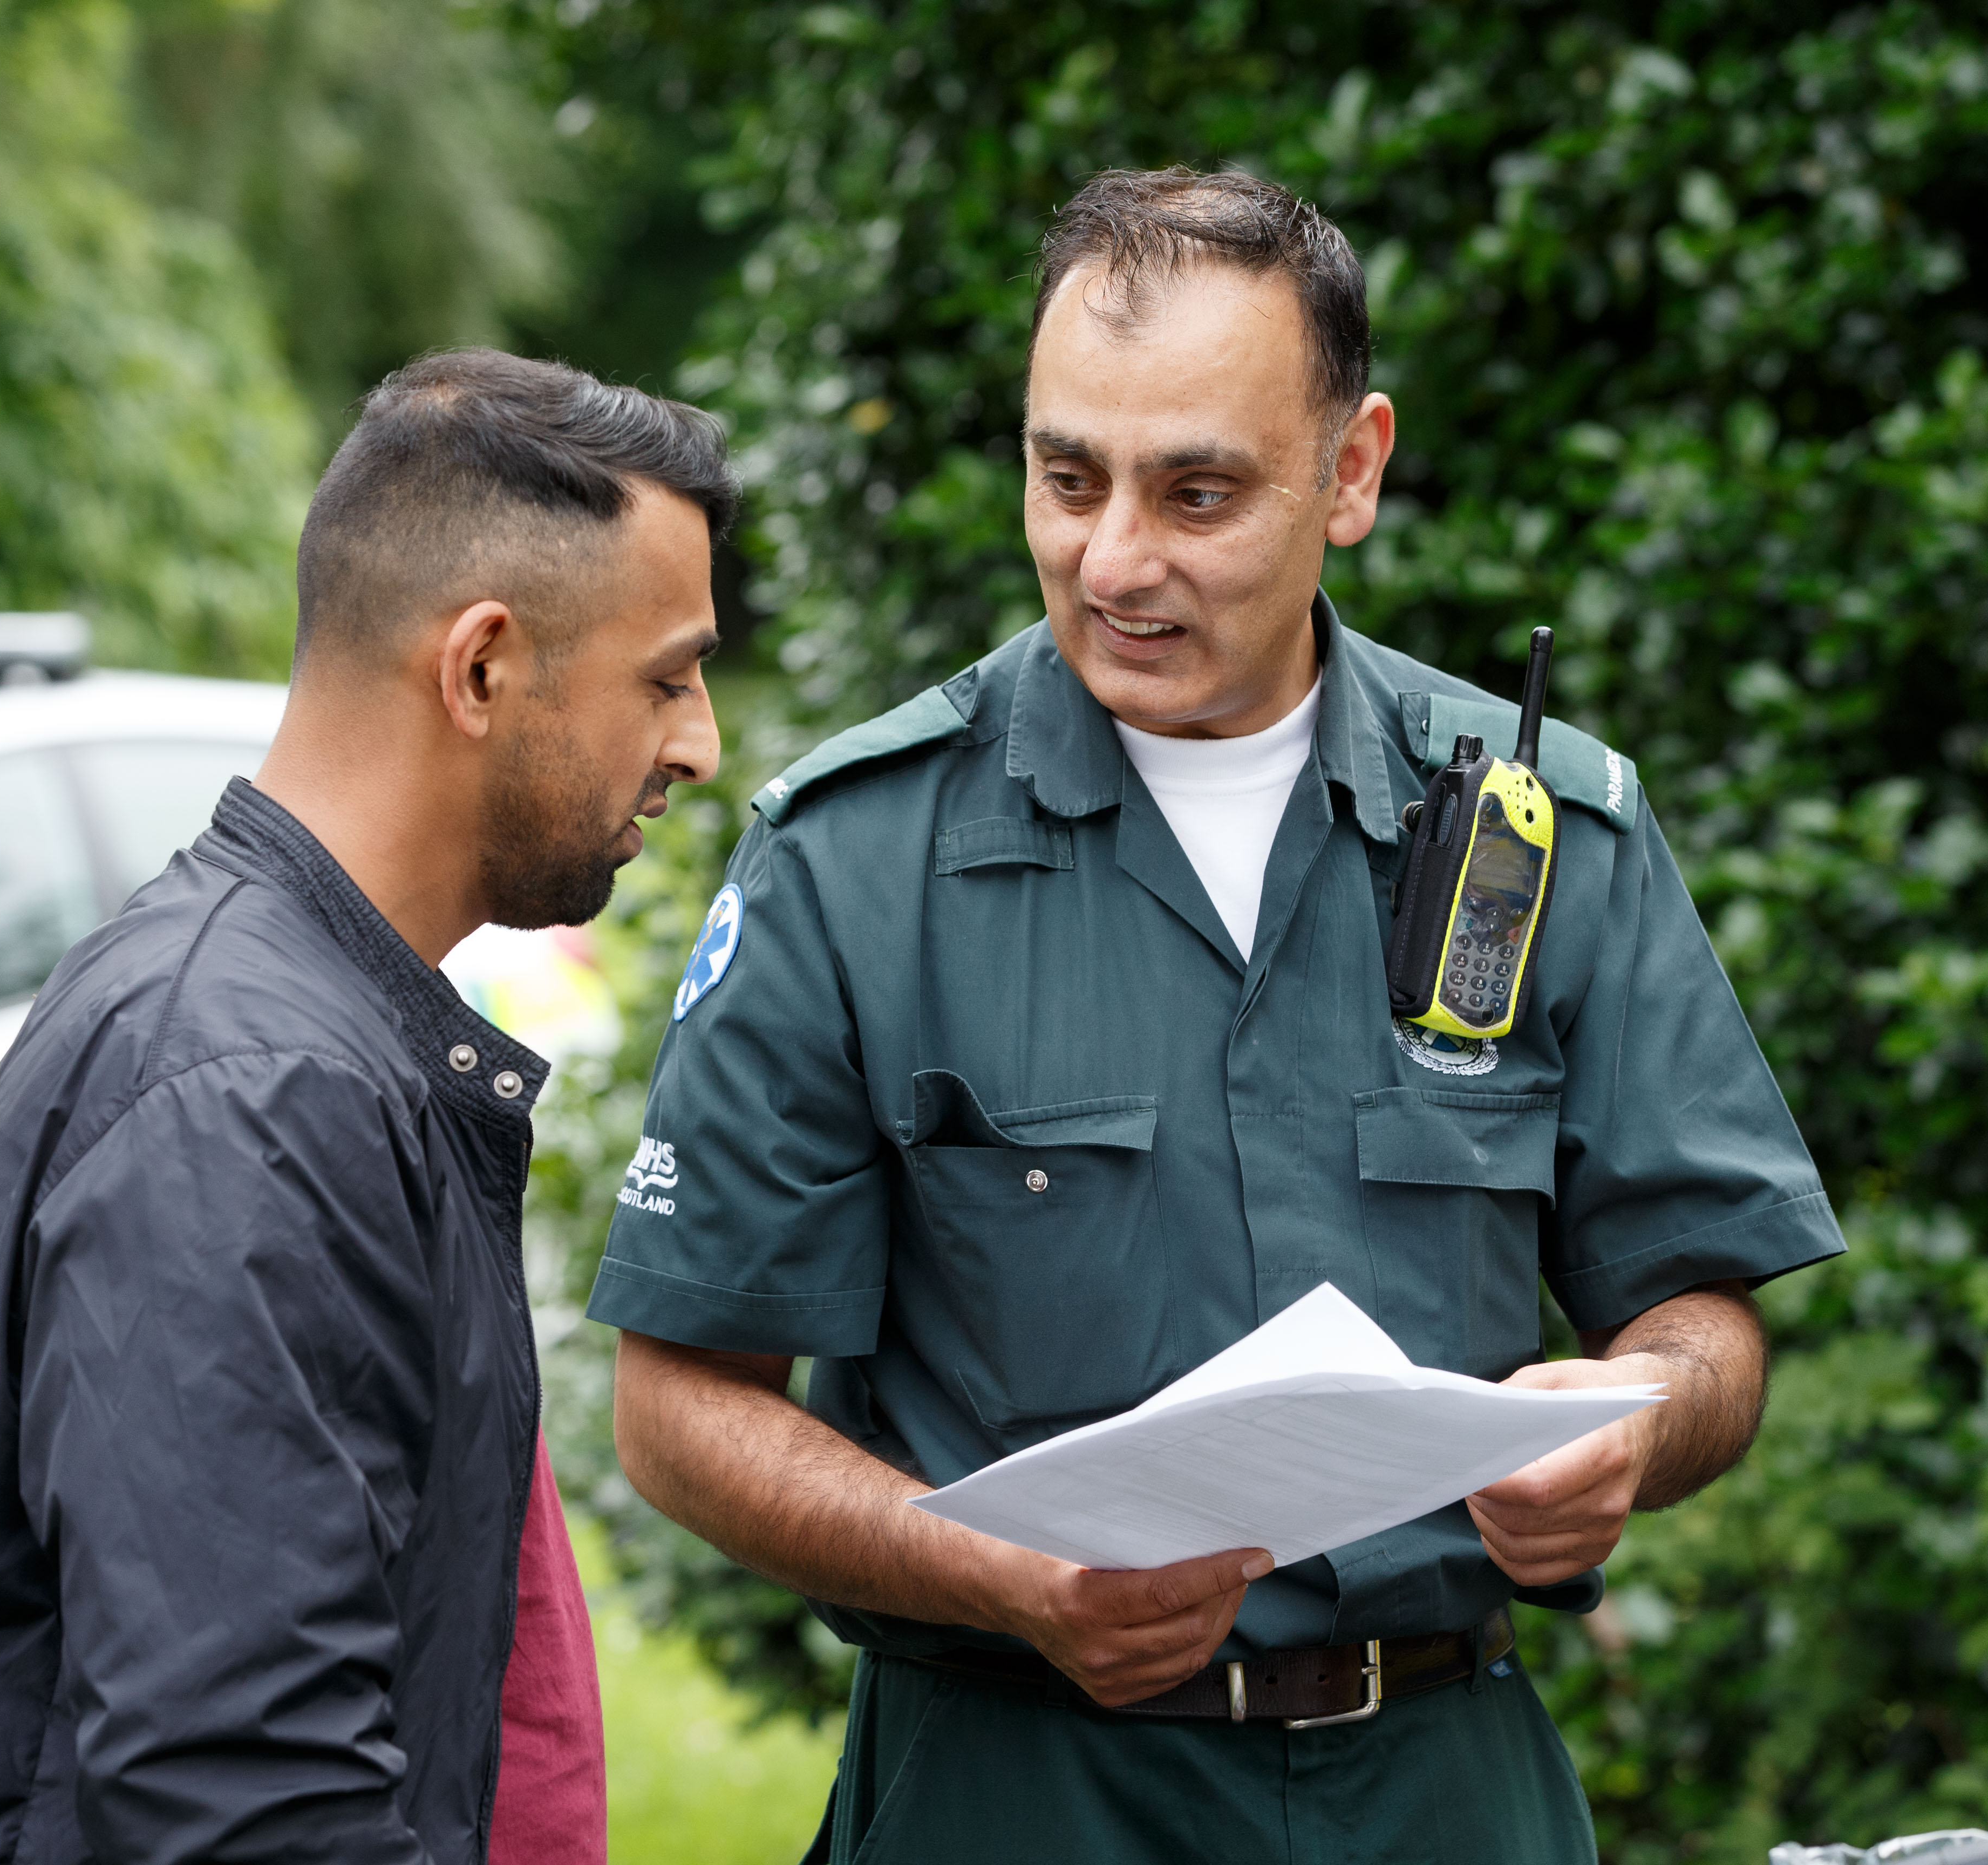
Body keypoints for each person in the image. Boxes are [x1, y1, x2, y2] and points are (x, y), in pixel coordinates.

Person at [583, 168, 1844, 1862]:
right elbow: (679, 1407)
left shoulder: (1545, 833)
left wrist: (1634, 1429)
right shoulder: (855, 861)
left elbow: (1701, 1312)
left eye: (1196, 493)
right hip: (1022, 1799)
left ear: (1352, 471)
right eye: (1067, 479)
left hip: (1442, 1794)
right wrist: (1000, 1574)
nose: (1115, 561)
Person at [0, 349, 733, 1865]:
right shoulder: (259, 1097)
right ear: (481, 668)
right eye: (668, 677)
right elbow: (244, 1796)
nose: (701, 743)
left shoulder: (258, 1022)